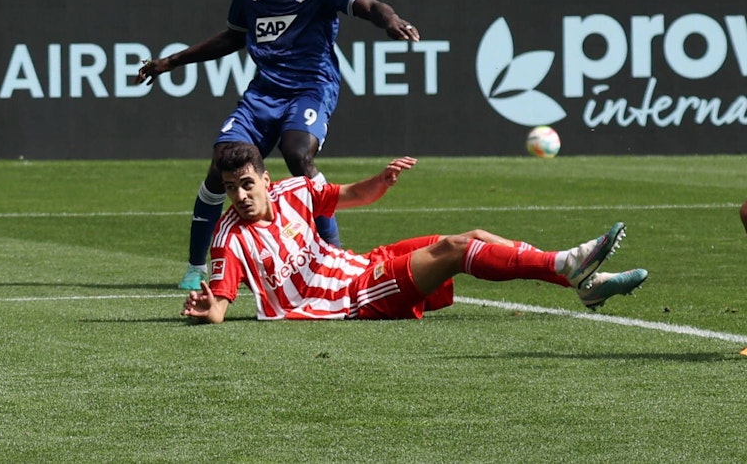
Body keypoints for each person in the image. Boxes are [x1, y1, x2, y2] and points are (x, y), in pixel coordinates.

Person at [133, 0, 418, 291]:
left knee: (297, 153)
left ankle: (332, 253)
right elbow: (233, 37)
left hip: (311, 86)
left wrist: (390, 20)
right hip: (263, 93)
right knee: (221, 166)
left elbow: (366, 4)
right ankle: (197, 266)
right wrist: (171, 61)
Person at [181, 143, 649, 323]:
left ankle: (584, 284)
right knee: (456, 249)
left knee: (476, 235)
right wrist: (206, 308)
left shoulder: (295, 190)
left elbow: (354, 196)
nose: (239, 196)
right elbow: (219, 307)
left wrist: (380, 182)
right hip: (349, 298)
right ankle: (566, 266)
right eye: (230, 189)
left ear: (265, 179)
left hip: (361, 265)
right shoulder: (229, 237)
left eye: (246, 184)